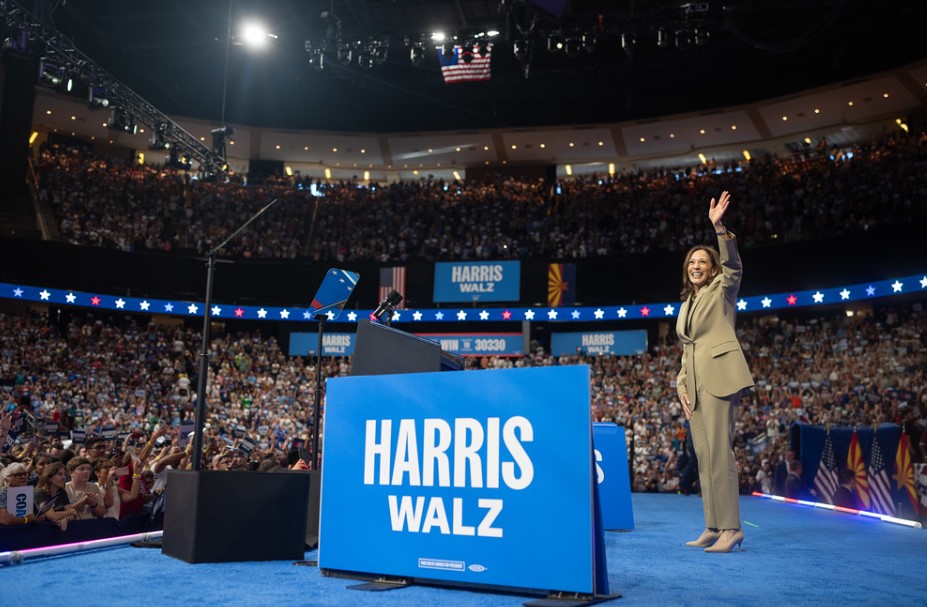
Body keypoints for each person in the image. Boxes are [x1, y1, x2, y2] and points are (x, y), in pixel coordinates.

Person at [675, 191, 755, 553]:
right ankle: (712, 524)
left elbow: (734, 266)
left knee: (721, 454)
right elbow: (687, 349)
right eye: (692, 261)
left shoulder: (723, 289)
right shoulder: (688, 301)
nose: (696, 266)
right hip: (694, 384)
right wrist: (681, 385)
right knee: (703, 456)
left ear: (712, 268)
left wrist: (719, 228)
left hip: (720, 379)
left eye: (702, 262)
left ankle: (732, 528)